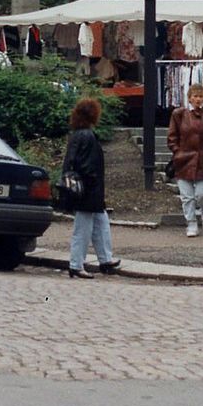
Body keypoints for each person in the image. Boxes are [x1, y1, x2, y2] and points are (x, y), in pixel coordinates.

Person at [63, 98, 121, 279]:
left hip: (86, 190)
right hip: (89, 190)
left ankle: (105, 260)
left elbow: (72, 162)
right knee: (84, 228)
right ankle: (76, 264)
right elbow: (87, 166)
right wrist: (93, 182)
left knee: (100, 223)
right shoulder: (88, 136)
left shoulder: (77, 135)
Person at [167, 84, 203, 237]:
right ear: (189, 98)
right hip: (184, 159)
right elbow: (172, 136)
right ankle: (191, 222)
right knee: (187, 196)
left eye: (201, 96)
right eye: (195, 96)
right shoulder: (179, 114)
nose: (198, 99)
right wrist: (177, 151)